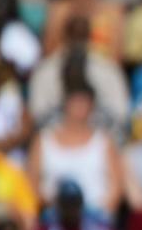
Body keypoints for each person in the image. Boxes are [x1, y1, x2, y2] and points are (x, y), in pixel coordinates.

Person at [27, 79, 124, 218]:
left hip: (95, 216)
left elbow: (116, 188)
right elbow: (32, 183)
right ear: (66, 104)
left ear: (92, 106)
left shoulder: (104, 141)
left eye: (84, 102)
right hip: (54, 215)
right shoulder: (43, 140)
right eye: (75, 101)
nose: (79, 107)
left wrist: (102, 212)